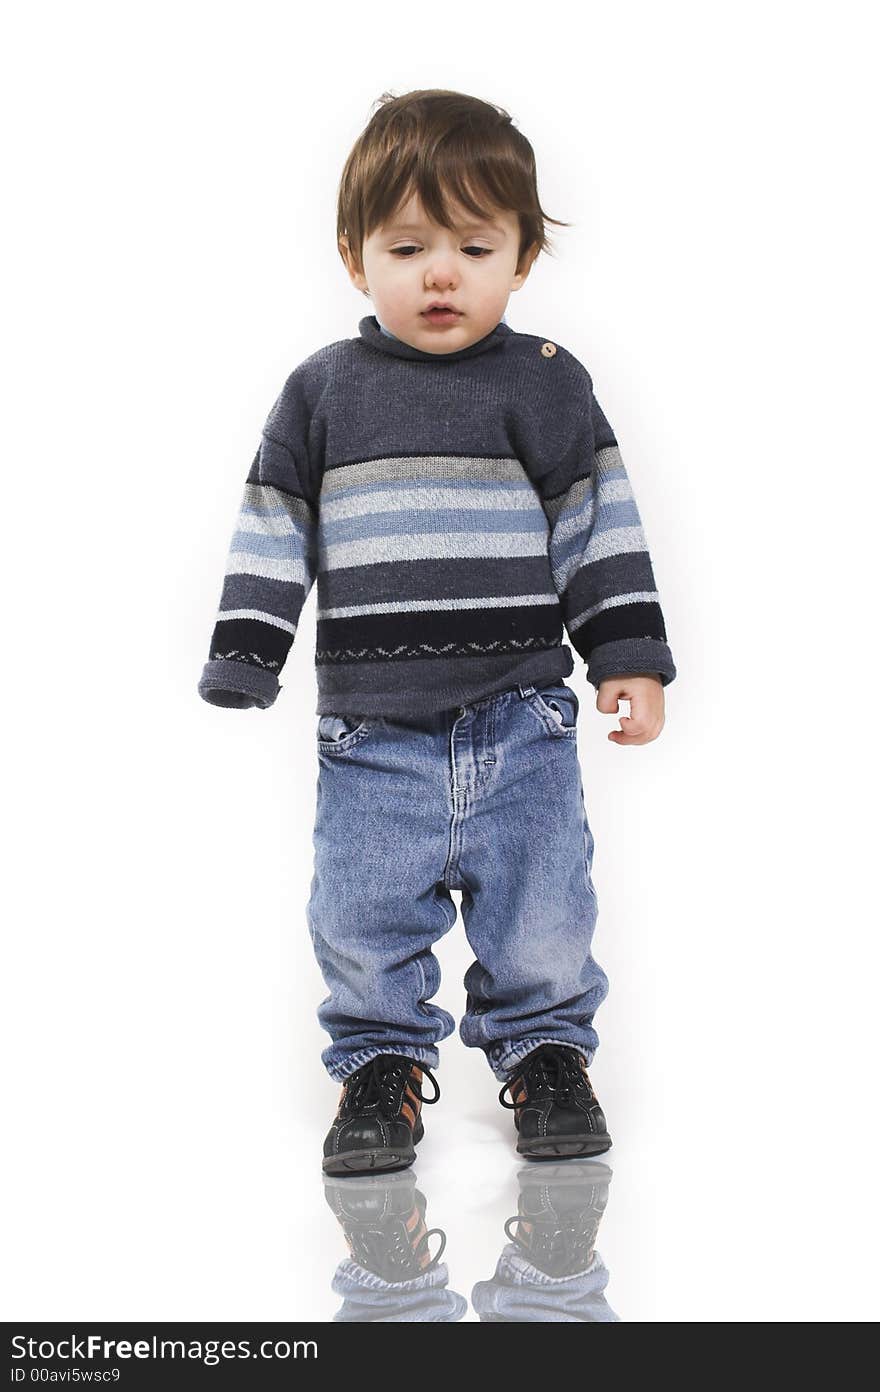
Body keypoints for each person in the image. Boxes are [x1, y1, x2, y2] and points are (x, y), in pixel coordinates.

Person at [197, 89, 677, 1175]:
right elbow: (276, 523)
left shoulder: (546, 384)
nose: (441, 272)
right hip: (372, 737)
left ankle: (547, 1050)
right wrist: (248, 651)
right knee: (360, 916)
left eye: (474, 244)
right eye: (407, 245)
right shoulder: (322, 392)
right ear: (354, 256)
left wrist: (628, 658)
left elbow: (595, 524)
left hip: (522, 723)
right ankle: (379, 1064)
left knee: (543, 911)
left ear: (521, 261)